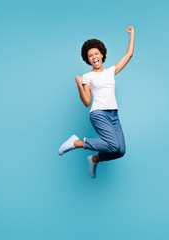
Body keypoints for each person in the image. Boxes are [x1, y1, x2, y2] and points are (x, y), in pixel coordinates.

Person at [58, 26, 135, 178]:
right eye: (90, 56)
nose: (94, 57)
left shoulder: (110, 71)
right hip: (98, 113)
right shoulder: (87, 76)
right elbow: (87, 102)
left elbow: (129, 54)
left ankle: (94, 159)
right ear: (88, 60)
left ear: (101, 54)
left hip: (114, 114)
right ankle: (77, 143)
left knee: (120, 151)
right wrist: (79, 85)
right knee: (113, 145)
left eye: (96, 53)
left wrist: (132, 33)